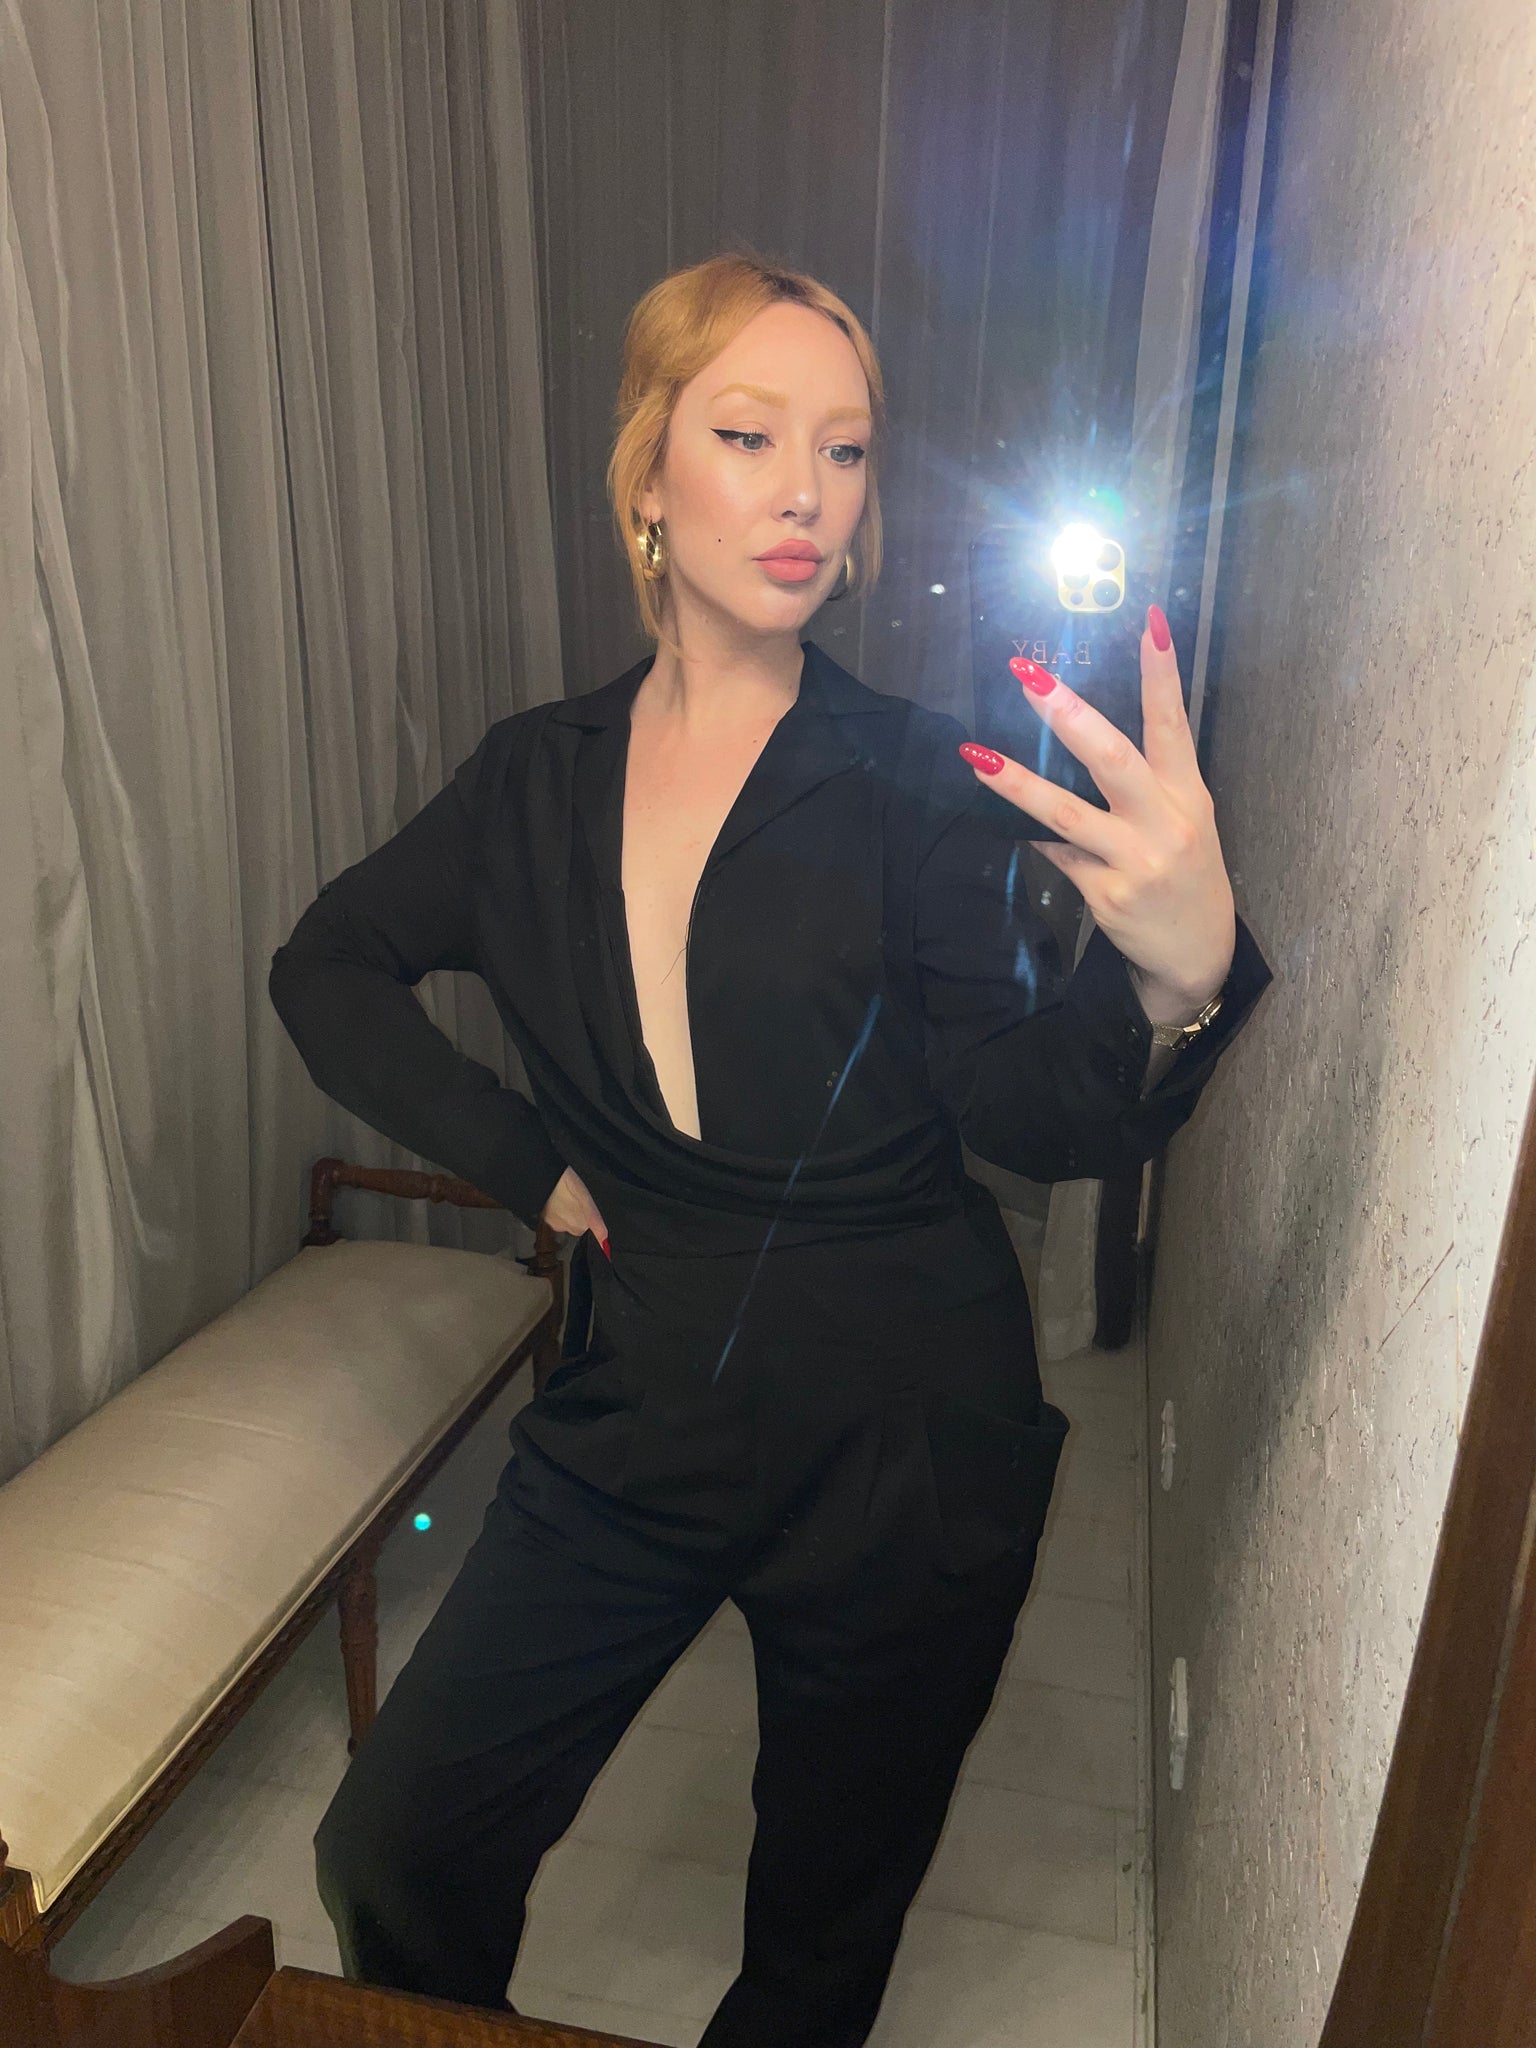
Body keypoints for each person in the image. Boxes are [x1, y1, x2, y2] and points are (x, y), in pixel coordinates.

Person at [268, 250, 1271, 2046]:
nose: (809, 491)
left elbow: (1025, 1110)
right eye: (749, 435)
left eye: (849, 449)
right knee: (395, 1844)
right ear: (650, 472)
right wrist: (524, 1160)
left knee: (817, 1946)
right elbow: (324, 966)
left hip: (905, 1422)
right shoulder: (530, 779)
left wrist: (1173, 988)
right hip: (638, 1396)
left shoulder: (914, 779)